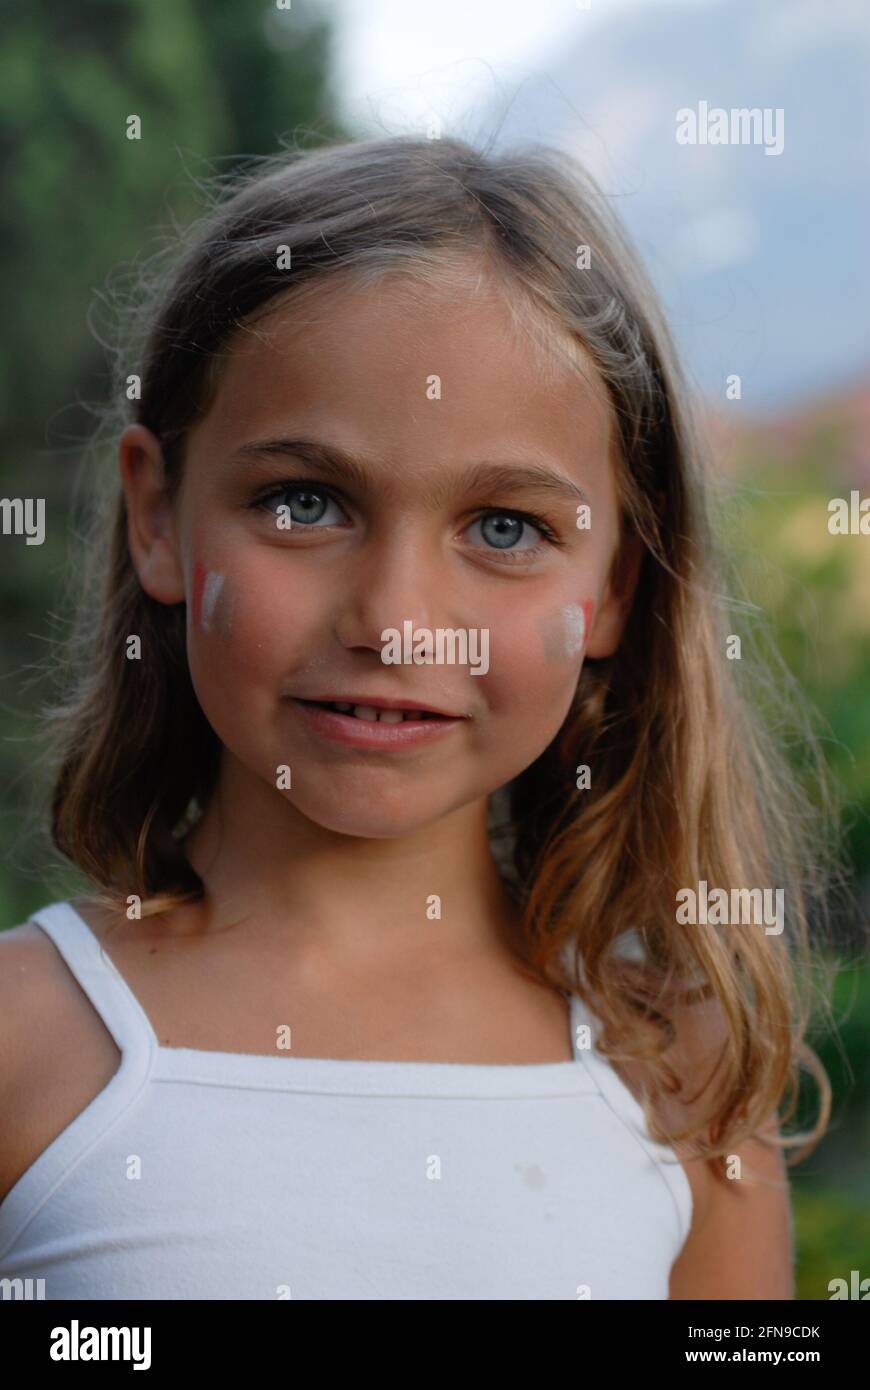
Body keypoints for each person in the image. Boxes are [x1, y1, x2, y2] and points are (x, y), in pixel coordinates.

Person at [0, 134, 835, 1300]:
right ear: (159, 519)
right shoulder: (25, 1040)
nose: (397, 622)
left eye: (504, 528)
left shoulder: (681, 1074)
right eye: (305, 502)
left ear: (615, 589)